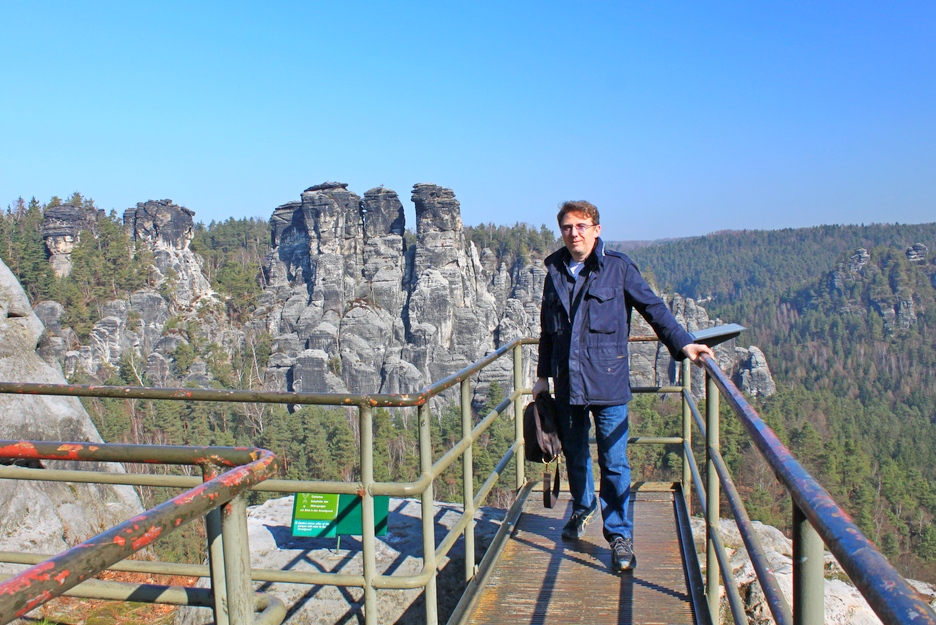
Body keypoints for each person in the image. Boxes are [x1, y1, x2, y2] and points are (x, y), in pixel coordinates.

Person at [531, 200, 714, 572]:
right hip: (568, 383)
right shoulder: (555, 271)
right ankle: (583, 508)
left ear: (596, 229)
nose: (574, 233)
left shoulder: (618, 267)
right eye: (567, 227)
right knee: (575, 454)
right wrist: (541, 376)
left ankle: (618, 535)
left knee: (614, 461)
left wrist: (685, 344)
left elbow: (654, 308)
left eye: (581, 226)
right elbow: (548, 330)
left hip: (608, 382)